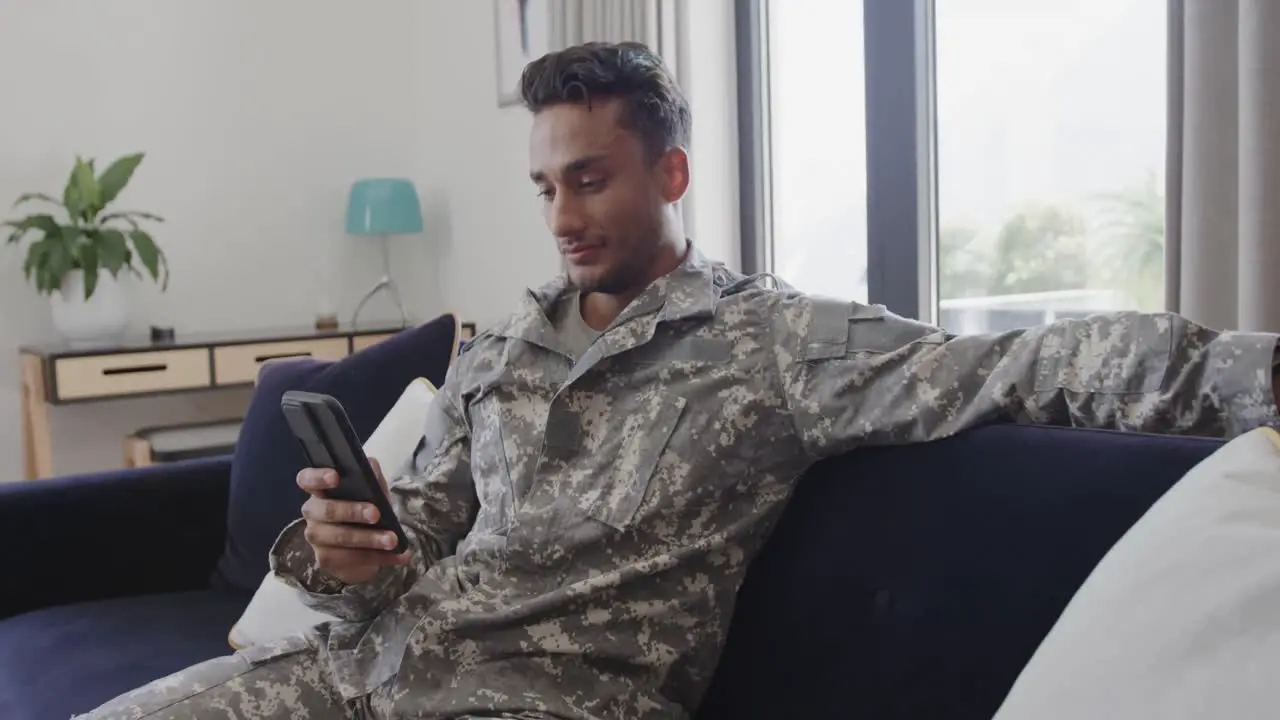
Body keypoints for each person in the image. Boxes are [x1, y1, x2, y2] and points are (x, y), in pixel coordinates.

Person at [81, 41, 1280, 720]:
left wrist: (1256, 372)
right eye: (544, 186)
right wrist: (343, 549)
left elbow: (1039, 363)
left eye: (591, 179)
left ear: (672, 172)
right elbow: (426, 528)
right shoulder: (502, 349)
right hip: (358, 672)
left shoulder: (772, 347)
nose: (562, 214)